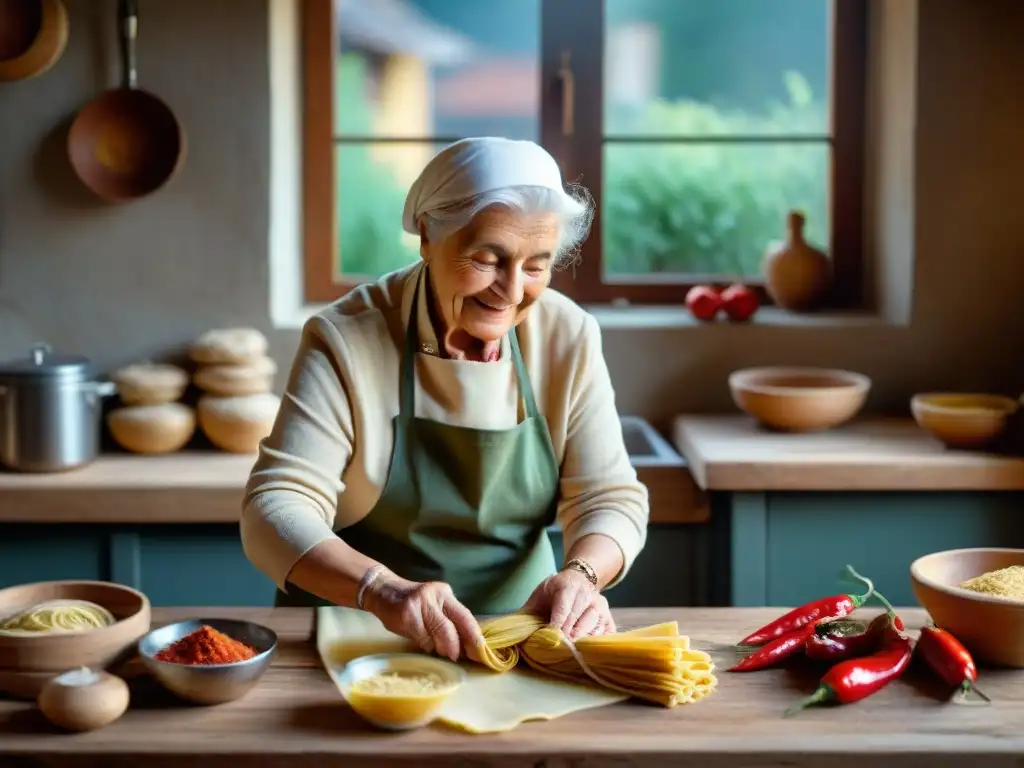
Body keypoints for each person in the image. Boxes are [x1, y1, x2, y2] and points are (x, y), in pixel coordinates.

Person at [241, 137, 649, 662]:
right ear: (429, 236)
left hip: (518, 635)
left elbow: (610, 498)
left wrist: (581, 576)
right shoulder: (346, 337)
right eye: (487, 258)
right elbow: (274, 506)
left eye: (535, 266)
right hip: (357, 636)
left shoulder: (567, 335)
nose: (510, 290)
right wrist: (382, 590)